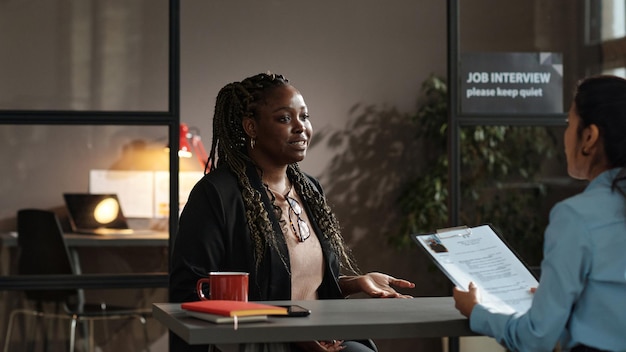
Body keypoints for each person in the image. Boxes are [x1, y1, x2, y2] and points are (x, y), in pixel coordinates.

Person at [170, 72, 415, 352]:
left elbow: (303, 285)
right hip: (259, 345)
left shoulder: (310, 188)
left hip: (324, 338)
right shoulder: (216, 194)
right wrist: (292, 334)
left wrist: (356, 282)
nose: (301, 128)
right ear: (251, 127)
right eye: (285, 118)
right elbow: (191, 291)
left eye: (305, 117)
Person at [453, 74, 626, 352]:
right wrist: (559, 300)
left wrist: (476, 312)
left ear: (590, 136)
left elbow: (535, 338)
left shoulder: (576, 217)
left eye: (570, 125)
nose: (564, 138)